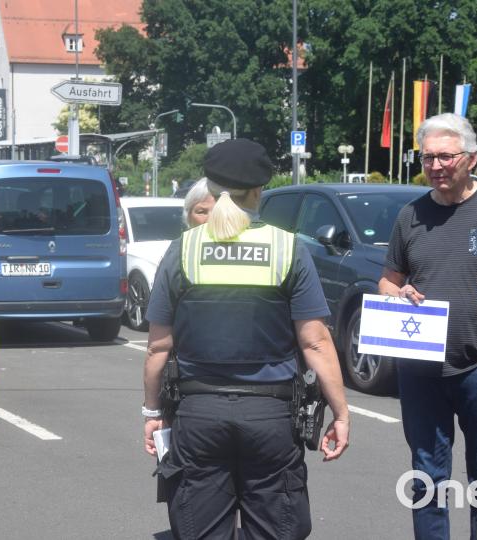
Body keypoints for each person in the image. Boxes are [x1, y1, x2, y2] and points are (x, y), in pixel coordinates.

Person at [143, 138, 350, 539]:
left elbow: (158, 347)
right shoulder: (286, 248)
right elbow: (315, 343)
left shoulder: (183, 249)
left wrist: (152, 414)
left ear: (213, 189)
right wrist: (341, 414)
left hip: (197, 413)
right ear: (259, 191)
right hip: (270, 416)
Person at [378, 113, 477, 540]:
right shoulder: (411, 215)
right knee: (427, 475)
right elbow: (388, 280)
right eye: (428, 157)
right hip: (420, 369)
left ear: (472, 159)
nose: (436, 166)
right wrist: (397, 294)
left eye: (446, 156)